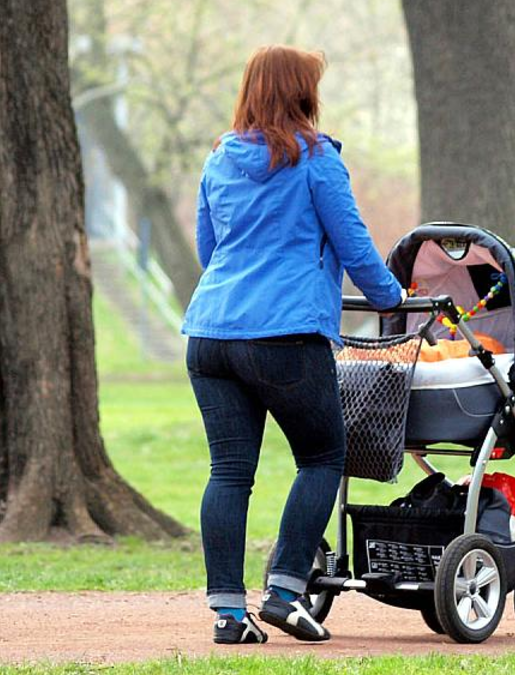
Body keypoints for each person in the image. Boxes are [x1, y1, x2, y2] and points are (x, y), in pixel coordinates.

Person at [182, 45, 404, 645]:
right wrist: (392, 299)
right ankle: (284, 592)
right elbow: (356, 248)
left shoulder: (219, 160)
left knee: (228, 472)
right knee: (323, 458)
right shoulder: (316, 161)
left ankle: (229, 615)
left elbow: (211, 251)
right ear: (302, 92)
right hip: (282, 335)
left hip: (210, 333)